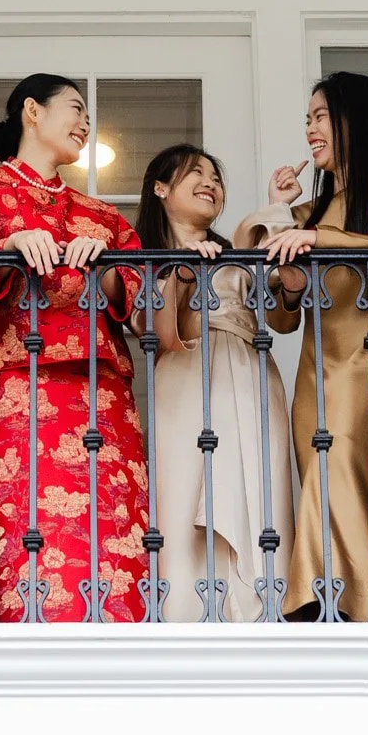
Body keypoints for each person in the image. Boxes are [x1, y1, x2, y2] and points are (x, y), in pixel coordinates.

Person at [0, 73, 149, 623]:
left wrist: (98, 263)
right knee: (25, 524)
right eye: (74, 108)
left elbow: (139, 298)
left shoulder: (102, 216)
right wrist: (6, 246)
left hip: (100, 388)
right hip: (19, 381)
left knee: (112, 527)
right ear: (32, 111)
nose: (84, 122)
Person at [261, 71, 368, 619]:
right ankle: (342, 605)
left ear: (352, 117)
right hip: (315, 369)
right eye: (307, 119)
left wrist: (316, 238)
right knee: (320, 477)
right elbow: (283, 319)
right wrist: (282, 228)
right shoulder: (310, 210)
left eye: (319, 116)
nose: (310, 129)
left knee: (342, 478)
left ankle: (325, 608)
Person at [137, 144, 296, 621]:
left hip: (250, 374)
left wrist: (278, 210)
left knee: (260, 491)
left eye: (216, 177)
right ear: (161, 188)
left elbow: (283, 318)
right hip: (186, 378)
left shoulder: (236, 251)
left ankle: (259, 613)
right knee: (183, 495)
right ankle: (185, 618)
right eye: (195, 174)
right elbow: (161, 335)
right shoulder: (143, 256)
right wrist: (184, 271)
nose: (210, 183)